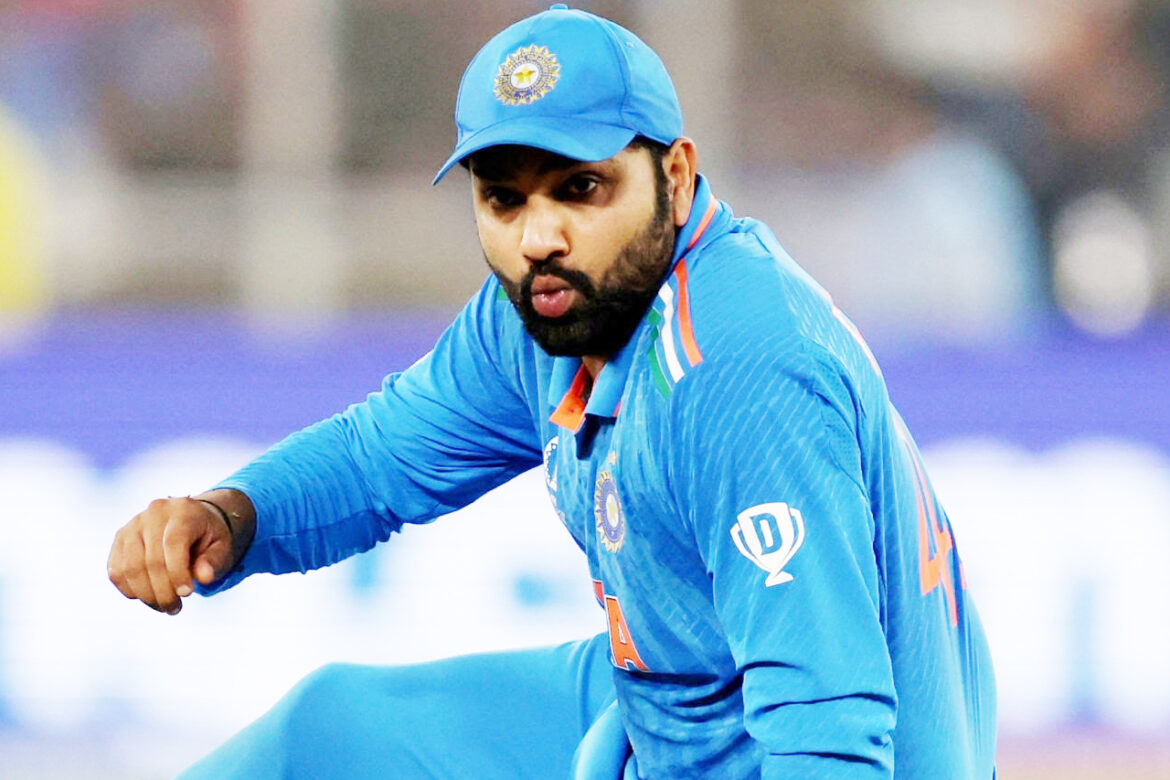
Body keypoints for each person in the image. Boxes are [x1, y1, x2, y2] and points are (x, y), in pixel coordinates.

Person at [106, 5, 996, 778]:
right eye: (504, 199)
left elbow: (828, 726)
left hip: (792, 752)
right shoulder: (553, 309)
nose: (539, 237)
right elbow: (379, 459)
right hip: (671, 700)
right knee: (324, 737)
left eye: (581, 188)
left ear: (676, 176)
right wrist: (230, 516)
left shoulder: (737, 369)